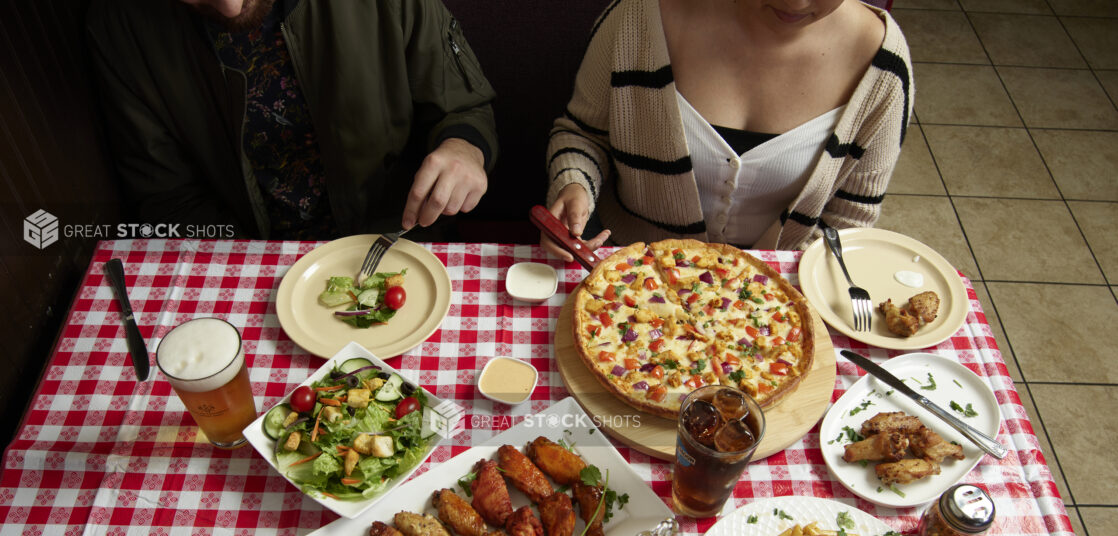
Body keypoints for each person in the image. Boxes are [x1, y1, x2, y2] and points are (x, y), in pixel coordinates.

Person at [87, 0, 498, 240]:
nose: (229, 7)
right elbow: (167, 199)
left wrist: (463, 146)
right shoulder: (119, 26)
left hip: (395, 240)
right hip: (251, 263)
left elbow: (463, 106)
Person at [543, 0, 912, 257]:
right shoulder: (638, 18)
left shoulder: (883, 66)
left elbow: (849, 220)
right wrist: (575, 183)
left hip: (783, 291)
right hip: (631, 263)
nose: (796, 3)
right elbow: (582, 135)